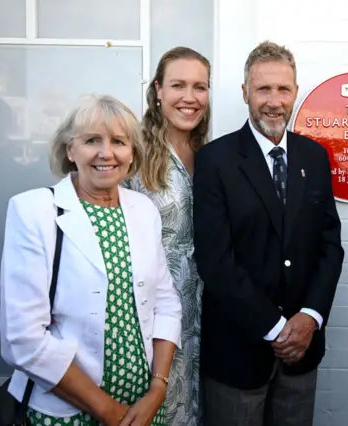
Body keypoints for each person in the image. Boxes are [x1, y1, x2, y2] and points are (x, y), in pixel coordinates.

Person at [0, 94, 182, 426]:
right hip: (67, 414)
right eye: (91, 140)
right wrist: (111, 413)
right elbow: (21, 338)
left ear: (132, 154)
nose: (106, 153)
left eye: (118, 142)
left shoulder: (143, 210)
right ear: (71, 150)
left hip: (142, 412)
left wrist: (157, 390)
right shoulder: (33, 211)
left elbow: (166, 303)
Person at [192, 41, 344, 426]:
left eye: (283, 89)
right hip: (237, 354)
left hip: (303, 353)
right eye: (263, 89)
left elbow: (329, 244)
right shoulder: (214, 160)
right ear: (245, 93)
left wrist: (309, 318)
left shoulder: (314, 156)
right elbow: (216, 261)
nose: (274, 101)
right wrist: (277, 330)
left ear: (295, 92)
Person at [122, 46, 210, 426]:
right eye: (178, 85)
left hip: (206, 312)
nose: (189, 97)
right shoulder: (132, 152)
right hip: (149, 312)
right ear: (158, 90)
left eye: (199, 87)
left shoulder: (212, 153)